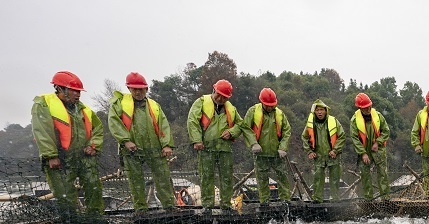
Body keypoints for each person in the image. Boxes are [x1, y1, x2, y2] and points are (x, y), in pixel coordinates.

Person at [31, 71, 104, 221]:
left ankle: (95, 220)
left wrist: (93, 145)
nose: (78, 94)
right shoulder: (43, 105)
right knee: (65, 194)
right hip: (59, 158)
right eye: (74, 91)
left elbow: (98, 129)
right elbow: (42, 132)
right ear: (60, 89)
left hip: (83, 156)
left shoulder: (83, 109)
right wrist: (51, 156)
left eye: (79, 91)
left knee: (93, 187)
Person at [108, 72, 176, 211]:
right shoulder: (119, 104)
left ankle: (169, 207)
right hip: (132, 150)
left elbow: (164, 124)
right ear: (129, 89)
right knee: (136, 181)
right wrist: (126, 141)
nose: (138, 92)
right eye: (134, 89)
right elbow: (114, 123)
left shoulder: (154, 105)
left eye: (141, 89)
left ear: (146, 89)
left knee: (163, 177)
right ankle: (141, 210)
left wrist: (167, 144)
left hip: (155, 148)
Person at [187, 79, 244, 211]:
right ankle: (207, 206)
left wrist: (231, 132)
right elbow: (192, 121)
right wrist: (197, 140)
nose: (220, 98)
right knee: (206, 177)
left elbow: (241, 124)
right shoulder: (200, 102)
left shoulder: (231, 109)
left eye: (224, 97)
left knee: (226, 177)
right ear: (213, 90)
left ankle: (226, 205)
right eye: (218, 95)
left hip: (225, 148)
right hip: (206, 148)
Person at [243, 88, 292, 204]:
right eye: (267, 105)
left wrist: (283, 147)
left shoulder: (280, 114)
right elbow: (245, 128)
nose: (270, 107)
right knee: (262, 178)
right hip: (260, 153)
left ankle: (285, 200)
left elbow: (287, 131)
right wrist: (253, 143)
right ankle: (264, 201)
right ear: (262, 103)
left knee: (282, 176)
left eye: (272, 105)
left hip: (277, 154)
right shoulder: (253, 111)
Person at [349, 93, 390, 200]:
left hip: (379, 150)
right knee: (365, 175)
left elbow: (386, 131)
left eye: (369, 106)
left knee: (382, 174)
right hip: (364, 151)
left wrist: (378, 142)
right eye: (365, 108)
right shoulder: (354, 120)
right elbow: (355, 139)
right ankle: (369, 200)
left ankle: (385, 199)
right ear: (359, 108)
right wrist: (363, 153)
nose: (368, 109)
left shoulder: (378, 116)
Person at [302, 99, 345, 203]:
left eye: (321, 110)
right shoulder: (310, 124)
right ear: (314, 112)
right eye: (317, 110)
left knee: (335, 179)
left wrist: (335, 150)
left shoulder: (334, 121)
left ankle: (335, 199)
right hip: (318, 156)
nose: (320, 112)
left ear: (326, 111)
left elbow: (342, 136)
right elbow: (304, 137)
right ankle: (317, 199)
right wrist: (309, 151)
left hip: (333, 155)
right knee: (318, 178)